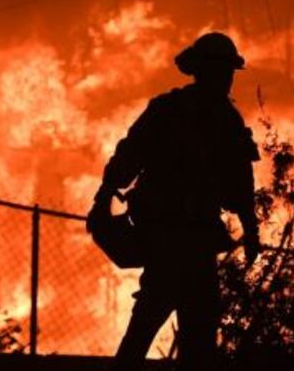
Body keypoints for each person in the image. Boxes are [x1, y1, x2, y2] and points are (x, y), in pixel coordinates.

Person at [93, 32, 261, 371]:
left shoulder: (211, 118)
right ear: (204, 71)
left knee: (185, 338)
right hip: (174, 241)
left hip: (188, 243)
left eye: (228, 71)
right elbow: (130, 155)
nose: (227, 79)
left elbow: (240, 183)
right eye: (223, 70)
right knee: (157, 329)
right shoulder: (183, 114)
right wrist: (104, 195)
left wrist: (251, 227)